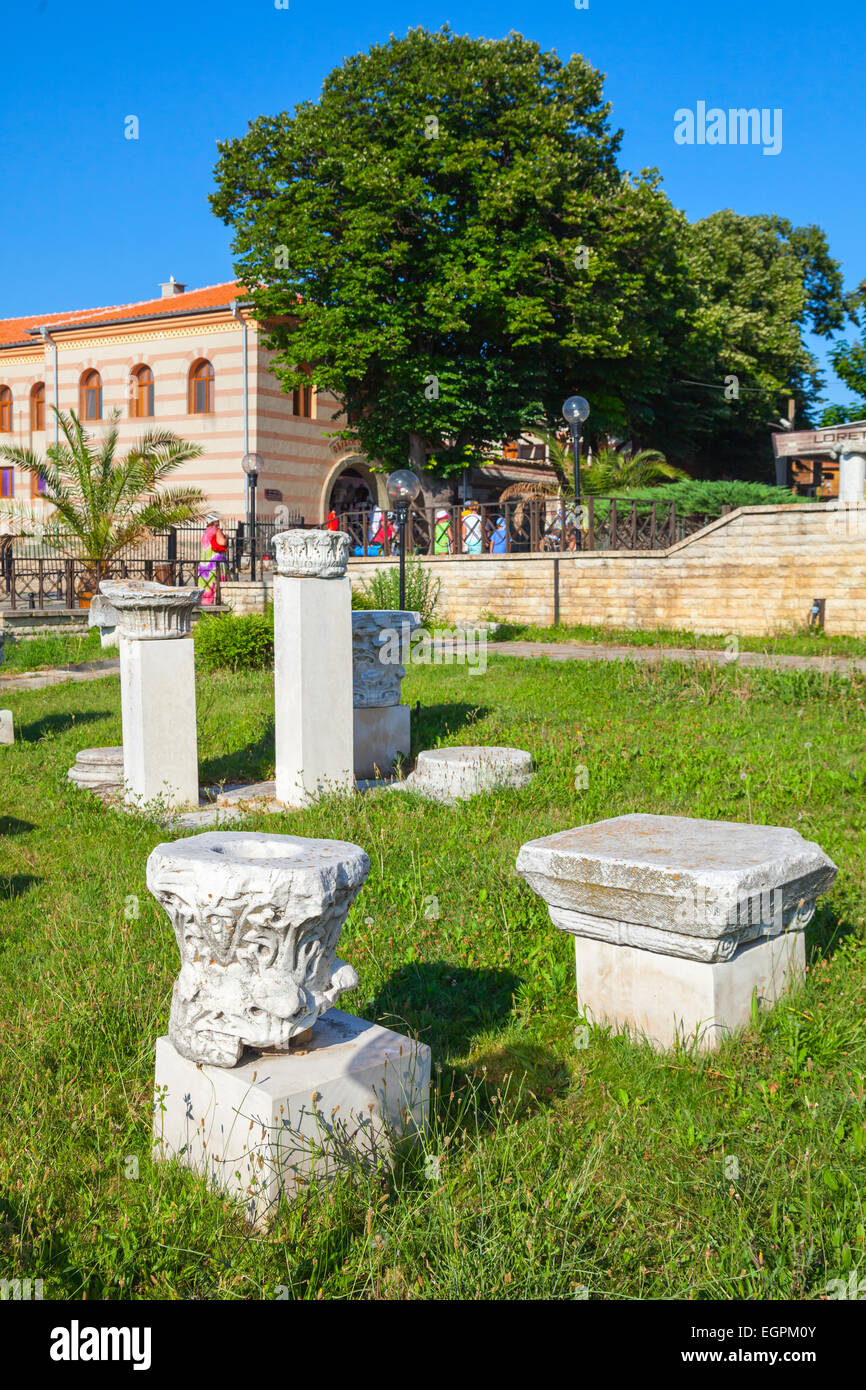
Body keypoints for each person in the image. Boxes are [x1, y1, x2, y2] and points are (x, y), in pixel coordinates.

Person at [198, 512, 227, 605]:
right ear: (214, 521)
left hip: (204, 562)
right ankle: (216, 601)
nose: (218, 522)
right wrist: (226, 537)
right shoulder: (216, 530)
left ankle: (205, 601)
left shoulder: (206, 531)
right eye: (217, 520)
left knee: (206, 583)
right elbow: (222, 542)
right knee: (216, 581)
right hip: (215, 560)